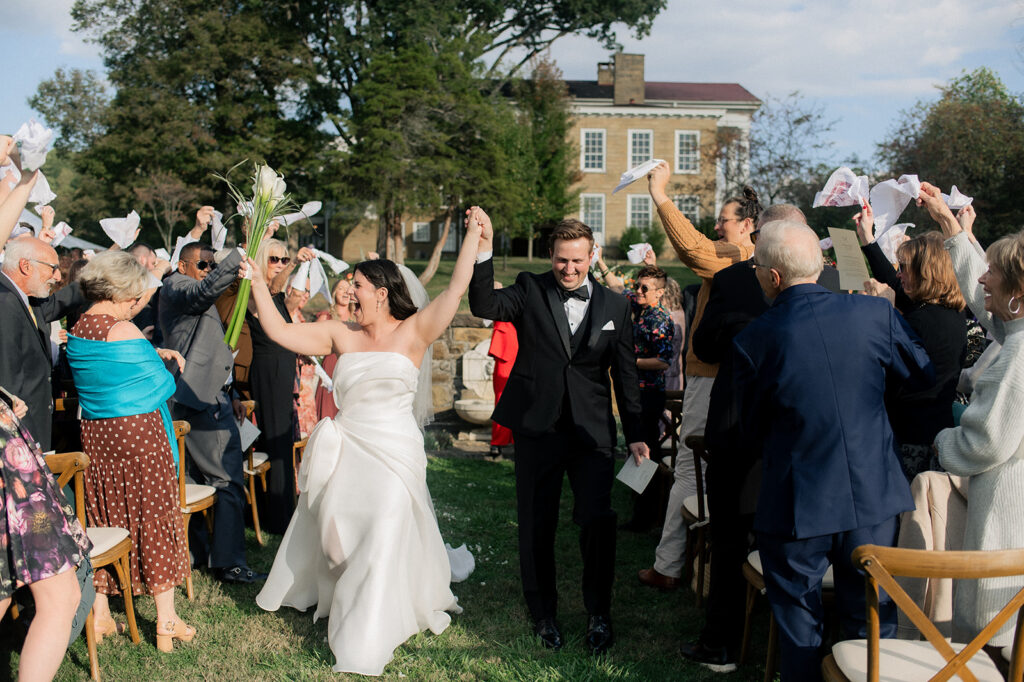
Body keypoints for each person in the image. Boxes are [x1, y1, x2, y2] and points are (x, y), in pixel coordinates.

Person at [252, 209, 486, 677]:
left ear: (381, 292)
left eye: (356, 284)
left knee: (382, 529)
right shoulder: (341, 334)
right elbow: (279, 332)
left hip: (395, 451)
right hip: (348, 448)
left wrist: (474, 237)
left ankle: (365, 632)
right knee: (337, 541)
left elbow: (455, 289)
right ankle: (349, 593)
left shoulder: (415, 331)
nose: (348, 291)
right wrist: (257, 279)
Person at [729, 220, 933, 680]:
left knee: (800, 629)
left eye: (756, 267)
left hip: (797, 498)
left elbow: (750, 428)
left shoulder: (752, 340)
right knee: (873, 624)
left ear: (773, 277)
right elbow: (922, 374)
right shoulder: (874, 315)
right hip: (872, 493)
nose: (756, 275)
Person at [469, 214, 648, 655]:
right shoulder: (531, 289)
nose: (569, 269)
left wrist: (639, 433)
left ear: (593, 257)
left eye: (577, 261)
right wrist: (485, 249)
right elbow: (483, 306)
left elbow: (626, 377)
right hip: (538, 428)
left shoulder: (616, 306)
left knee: (597, 522)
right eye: (561, 260)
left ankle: (599, 613)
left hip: (592, 435)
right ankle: (543, 613)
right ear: (551, 256)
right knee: (536, 524)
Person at [639, 161, 760, 590]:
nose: (716, 227)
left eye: (723, 221)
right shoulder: (751, 259)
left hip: (711, 377)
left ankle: (670, 565)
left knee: (692, 469)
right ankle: (694, 562)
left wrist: (660, 195)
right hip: (727, 378)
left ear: (747, 225)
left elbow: (694, 250)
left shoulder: (737, 258)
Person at [67, 251, 196, 651]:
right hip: (139, 434)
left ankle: (102, 617)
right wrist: (164, 361)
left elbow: (111, 371)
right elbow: (161, 385)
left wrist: (148, 354)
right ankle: (167, 621)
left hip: (97, 434)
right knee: (154, 513)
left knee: (107, 511)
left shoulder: (78, 329)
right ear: (124, 290)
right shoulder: (125, 330)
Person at [917, 182, 1024, 649]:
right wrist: (950, 225)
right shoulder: (1017, 334)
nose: (982, 280)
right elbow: (991, 311)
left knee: (991, 639)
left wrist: (941, 440)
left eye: (993, 272)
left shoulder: (1017, 356)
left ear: (1018, 290)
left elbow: (984, 443)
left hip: (1007, 512)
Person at [159, 241, 265, 583]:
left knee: (193, 479)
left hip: (204, 393)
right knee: (226, 478)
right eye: (203, 264)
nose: (208, 270)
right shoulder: (176, 285)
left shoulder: (191, 288)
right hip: (199, 398)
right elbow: (204, 292)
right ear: (182, 266)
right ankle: (230, 562)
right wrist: (237, 255)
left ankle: (196, 554)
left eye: (210, 264)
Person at [855, 205, 967, 480]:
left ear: (926, 272)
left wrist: (887, 313)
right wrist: (867, 240)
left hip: (912, 444)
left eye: (904, 267)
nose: (899, 274)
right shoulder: (945, 311)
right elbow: (892, 282)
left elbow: (893, 371)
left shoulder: (924, 321)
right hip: (931, 434)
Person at [598, 262, 674, 531]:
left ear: (659, 293)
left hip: (650, 393)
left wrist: (629, 361)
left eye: (645, 288)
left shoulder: (660, 319)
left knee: (645, 450)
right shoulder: (637, 307)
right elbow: (617, 290)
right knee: (636, 449)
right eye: (637, 286)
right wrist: (601, 263)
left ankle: (646, 516)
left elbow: (663, 361)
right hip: (634, 390)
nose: (638, 291)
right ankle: (638, 508)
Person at [0, 232, 85, 452]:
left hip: (32, 428)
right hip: (17, 434)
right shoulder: (4, 303)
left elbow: (58, 302)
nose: (57, 277)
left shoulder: (23, 297)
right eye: (51, 268)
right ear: (26, 266)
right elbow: (7, 376)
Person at [245, 238, 300, 534]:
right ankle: (278, 516)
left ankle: (281, 508)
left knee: (283, 438)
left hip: (282, 367)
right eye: (274, 259)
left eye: (284, 259)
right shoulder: (254, 290)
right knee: (276, 438)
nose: (280, 264)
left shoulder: (273, 292)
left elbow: (280, 288)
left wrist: (295, 264)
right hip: (268, 368)